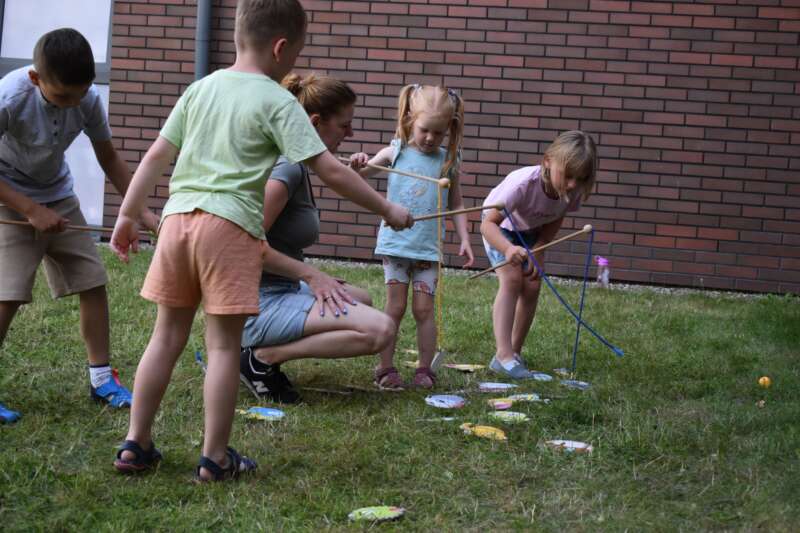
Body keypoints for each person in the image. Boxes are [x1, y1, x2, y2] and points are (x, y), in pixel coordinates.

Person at [109, 0, 411, 481]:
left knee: (165, 336)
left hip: (176, 221)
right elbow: (330, 170)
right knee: (223, 347)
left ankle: (135, 444)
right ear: (280, 47)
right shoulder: (277, 101)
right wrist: (387, 209)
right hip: (227, 228)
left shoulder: (201, 88)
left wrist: (128, 215)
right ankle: (215, 457)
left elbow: (154, 156)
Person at [0, 28, 159, 424]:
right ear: (36, 78)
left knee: (92, 282)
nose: (73, 104)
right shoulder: (10, 98)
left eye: (80, 94)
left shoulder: (86, 98)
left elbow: (110, 158)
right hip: (11, 197)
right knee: (8, 295)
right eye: (62, 97)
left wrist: (142, 213)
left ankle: (101, 380)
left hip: (57, 193)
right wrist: (30, 210)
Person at [239, 73, 398, 404]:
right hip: (253, 304)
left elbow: (339, 176)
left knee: (361, 298)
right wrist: (312, 276)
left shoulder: (296, 163)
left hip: (277, 288)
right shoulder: (287, 169)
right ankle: (260, 358)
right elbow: (245, 246)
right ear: (314, 123)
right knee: (380, 330)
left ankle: (262, 351)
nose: (350, 133)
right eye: (344, 125)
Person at [350, 84, 474, 390]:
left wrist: (465, 238)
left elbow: (457, 203)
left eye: (438, 133)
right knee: (395, 308)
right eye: (424, 130)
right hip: (396, 246)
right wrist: (358, 163)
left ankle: (424, 369)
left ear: (449, 130)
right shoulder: (395, 152)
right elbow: (358, 176)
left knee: (423, 310)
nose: (430, 138)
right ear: (409, 120)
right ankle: (385, 367)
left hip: (428, 250)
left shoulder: (448, 161)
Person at [480, 130, 597, 379]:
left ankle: (514, 352)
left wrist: (540, 248)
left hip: (531, 232)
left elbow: (556, 216)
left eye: (580, 179)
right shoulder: (522, 185)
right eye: (568, 176)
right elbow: (487, 225)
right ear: (547, 161)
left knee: (532, 286)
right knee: (512, 279)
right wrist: (508, 249)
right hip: (501, 228)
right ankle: (502, 354)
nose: (573, 184)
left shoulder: (570, 192)